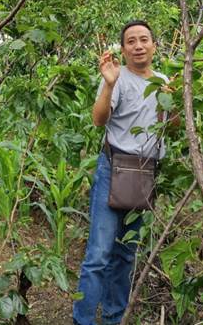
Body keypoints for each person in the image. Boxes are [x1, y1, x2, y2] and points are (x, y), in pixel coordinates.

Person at [73, 21, 169, 325]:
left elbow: (172, 125)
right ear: (124, 49)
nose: (138, 46)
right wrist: (109, 84)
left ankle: (114, 318)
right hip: (114, 169)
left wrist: (175, 99)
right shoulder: (117, 77)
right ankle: (83, 320)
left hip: (145, 174)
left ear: (154, 46)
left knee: (126, 254)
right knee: (98, 254)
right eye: (131, 41)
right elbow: (98, 120)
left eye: (144, 40)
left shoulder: (163, 82)